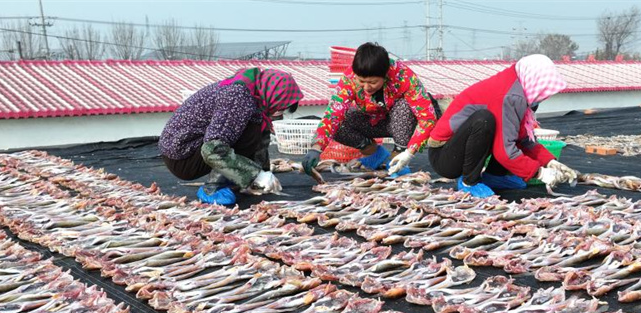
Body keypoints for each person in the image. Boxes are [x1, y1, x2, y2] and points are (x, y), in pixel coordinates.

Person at [427, 54, 578, 197]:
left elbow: (522, 139)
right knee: (484, 120)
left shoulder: (517, 87)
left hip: (458, 151)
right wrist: (540, 173)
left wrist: (550, 162)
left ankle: (495, 176)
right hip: (445, 157)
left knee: (506, 131)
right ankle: (469, 182)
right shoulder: (511, 96)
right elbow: (504, 152)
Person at [159, 67, 304, 205]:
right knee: (249, 131)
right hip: (182, 155)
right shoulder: (238, 97)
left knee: (254, 126)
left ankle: (236, 179)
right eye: (280, 109)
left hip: (192, 147)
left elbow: (261, 137)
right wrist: (255, 175)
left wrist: (263, 174)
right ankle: (213, 188)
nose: (278, 114)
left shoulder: (253, 94)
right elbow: (212, 149)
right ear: (273, 95)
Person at [302, 42, 438, 178]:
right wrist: (316, 148)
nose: (366, 87)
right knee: (339, 122)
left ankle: (397, 159)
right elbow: (333, 114)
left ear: (385, 75)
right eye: (361, 81)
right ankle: (375, 153)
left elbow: (427, 118)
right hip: (371, 121)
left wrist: (409, 152)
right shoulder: (349, 78)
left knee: (404, 107)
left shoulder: (404, 76)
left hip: (401, 123)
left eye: (373, 82)